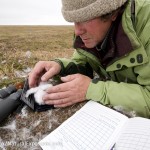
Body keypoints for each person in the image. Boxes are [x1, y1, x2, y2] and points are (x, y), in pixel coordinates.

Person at [28, 0, 150, 118]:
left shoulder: (146, 22)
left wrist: (94, 90)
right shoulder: (92, 35)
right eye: (74, 21)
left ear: (112, 12)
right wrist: (60, 66)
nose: (77, 31)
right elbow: (83, 62)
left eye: (85, 19)